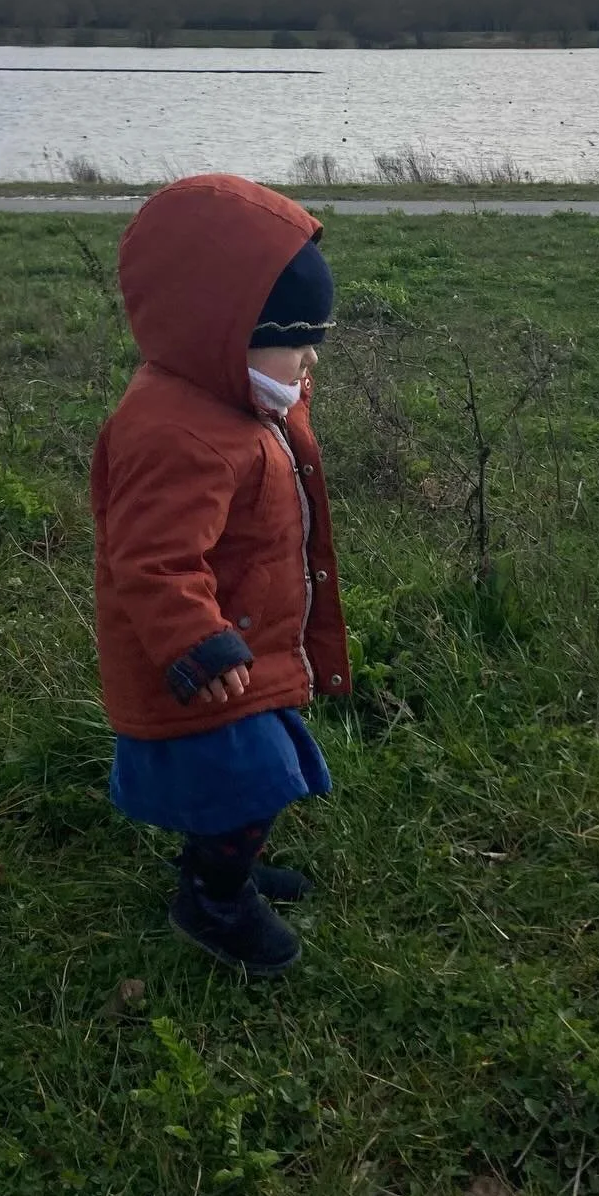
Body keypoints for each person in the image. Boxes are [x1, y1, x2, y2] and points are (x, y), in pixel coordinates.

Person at [91, 173, 349, 976]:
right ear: (222, 329)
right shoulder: (178, 434)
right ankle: (212, 897)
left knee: (246, 780)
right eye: (296, 339)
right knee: (252, 780)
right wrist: (194, 640)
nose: (309, 358)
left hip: (245, 644)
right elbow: (151, 557)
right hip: (204, 662)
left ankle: (224, 862)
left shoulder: (237, 402)